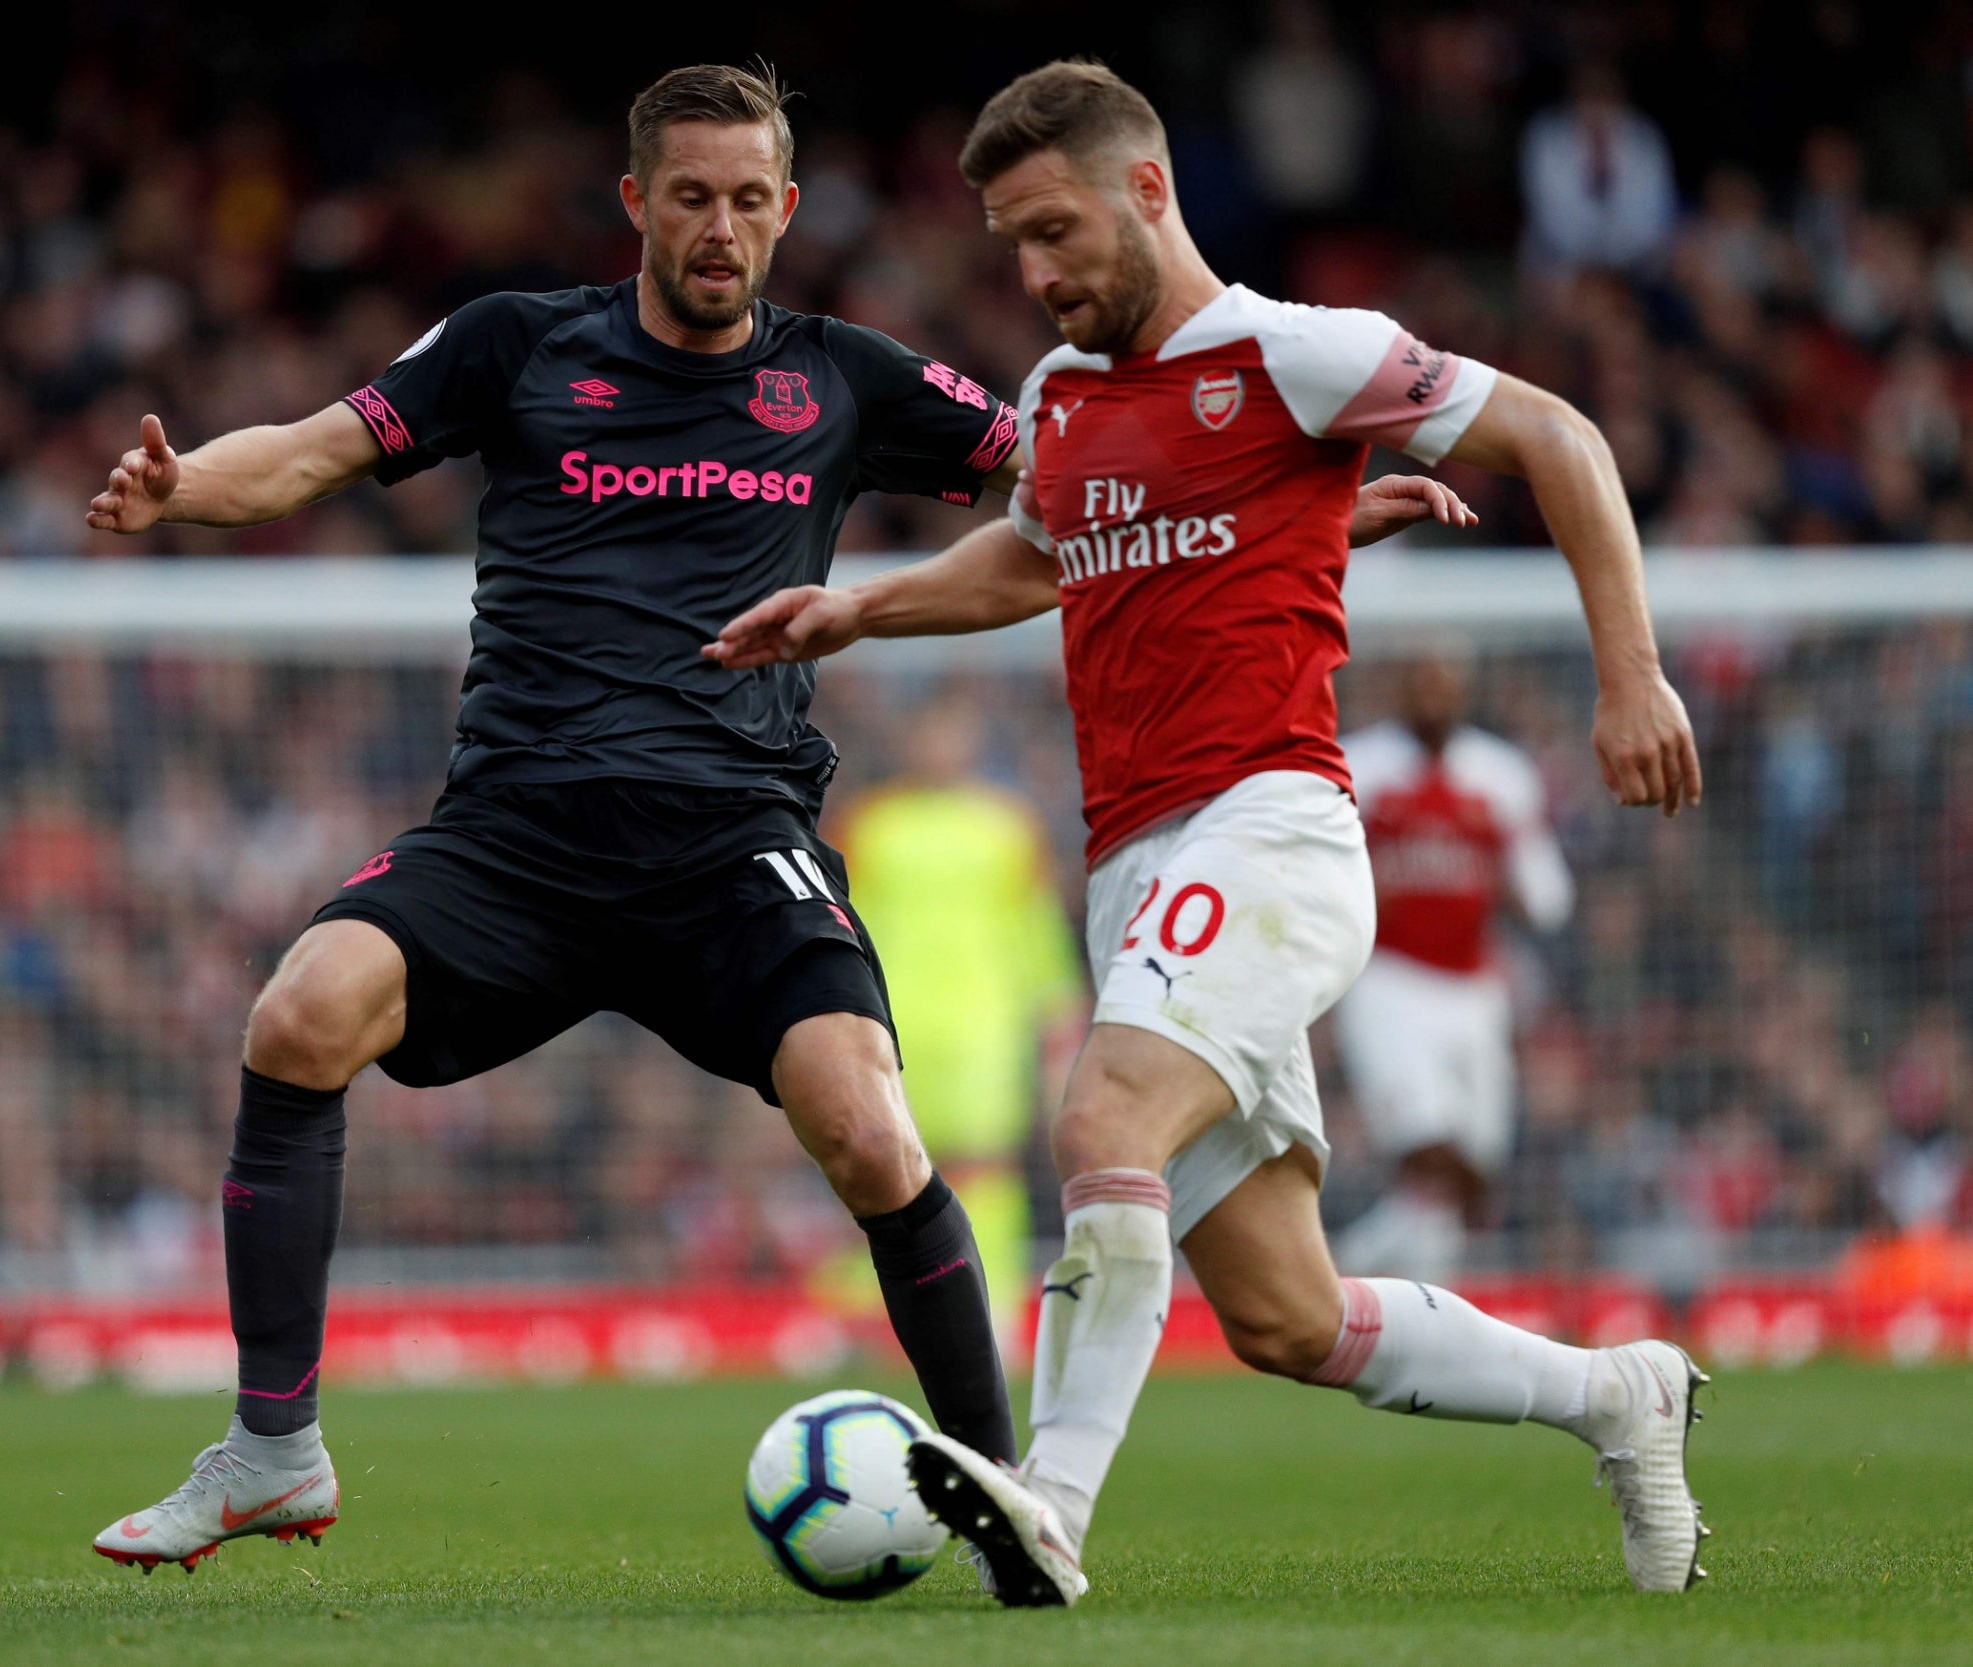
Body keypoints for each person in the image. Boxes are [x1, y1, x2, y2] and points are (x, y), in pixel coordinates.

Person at [707, 60, 1710, 1606]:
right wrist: (857, 608)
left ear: (1149, 192)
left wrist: (1630, 676)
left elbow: (1564, 437)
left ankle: (1049, 1506)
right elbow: (1035, 558)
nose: (1035, 276)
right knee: (1286, 1316)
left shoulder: (1301, 352)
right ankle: (1619, 1396)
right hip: (1135, 868)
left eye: (1054, 231)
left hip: (1271, 830)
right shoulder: (1060, 397)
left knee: (1101, 1122)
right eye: (1010, 246)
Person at [75, 61, 1045, 1575]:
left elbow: (1063, 472)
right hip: (518, 828)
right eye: (690, 198)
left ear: (785, 211)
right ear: (637, 204)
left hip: (733, 835)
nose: (719, 229)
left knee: (865, 1122)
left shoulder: (842, 375)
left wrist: (1276, 501)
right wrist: (182, 482)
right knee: (300, 1010)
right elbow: (319, 446)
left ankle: (1005, 1489)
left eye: (746, 202)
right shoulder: (519, 345)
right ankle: (273, 1451)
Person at [834, 693, 1085, 1338]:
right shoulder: (870, 824)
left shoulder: (1007, 825)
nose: (941, 746)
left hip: (985, 1026)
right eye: (929, 729)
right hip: (889, 1021)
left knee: (986, 1164)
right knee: (883, 1158)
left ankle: (992, 1301)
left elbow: (1037, 928)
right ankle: (878, 1308)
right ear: (907, 739)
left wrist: (1056, 1010)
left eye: (954, 729)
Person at [1332, 652, 1575, 1282]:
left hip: (1474, 989)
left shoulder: (1499, 777)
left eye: (1446, 687)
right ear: (1399, 689)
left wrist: (1502, 885)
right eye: (1423, 684)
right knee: (1427, 1146)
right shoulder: (1360, 768)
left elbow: (1548, 895)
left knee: (1476, 1167)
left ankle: (1364, 1276)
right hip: (1388, 981)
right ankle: (1375, 1293)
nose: (1435, 700)